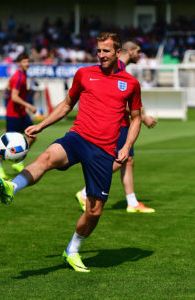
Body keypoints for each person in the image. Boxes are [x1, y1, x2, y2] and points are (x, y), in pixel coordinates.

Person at [0, 32, 142, 273]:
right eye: (98, 50)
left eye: (106, 51)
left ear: (117, 53)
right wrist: (42, 125)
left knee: (94, 212)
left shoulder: (131, 83)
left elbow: (135, 119)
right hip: (78, 137)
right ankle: (12, 187)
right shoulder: (84, 74)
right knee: (47, 157)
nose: (101, 54)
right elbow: (66, 105)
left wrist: (125, 147)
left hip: (104, 151)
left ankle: (72, 250)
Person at [76, 38, 157, 213]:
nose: (139, 54)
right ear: (129, 51)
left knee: (128, 160)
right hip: (117, 124)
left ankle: (132, 202)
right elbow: (119, 101)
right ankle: (85, 192)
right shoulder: (115, 68)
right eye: (137, 51)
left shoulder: (121, 69)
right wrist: (143, 118)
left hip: (123, 123)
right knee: (121, 159)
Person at [0, 53, 37, 179]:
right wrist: (29, 105)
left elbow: (9, 87)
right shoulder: (18, 77)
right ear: (19, 63)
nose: (27, 64)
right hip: (14, 114)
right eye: (24, 62)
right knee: (7, 144)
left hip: (21, 113)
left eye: (28, 61)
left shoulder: (22, 75)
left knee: (33, 136)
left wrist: (25, 92)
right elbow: (14, 97)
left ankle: (19, 162)